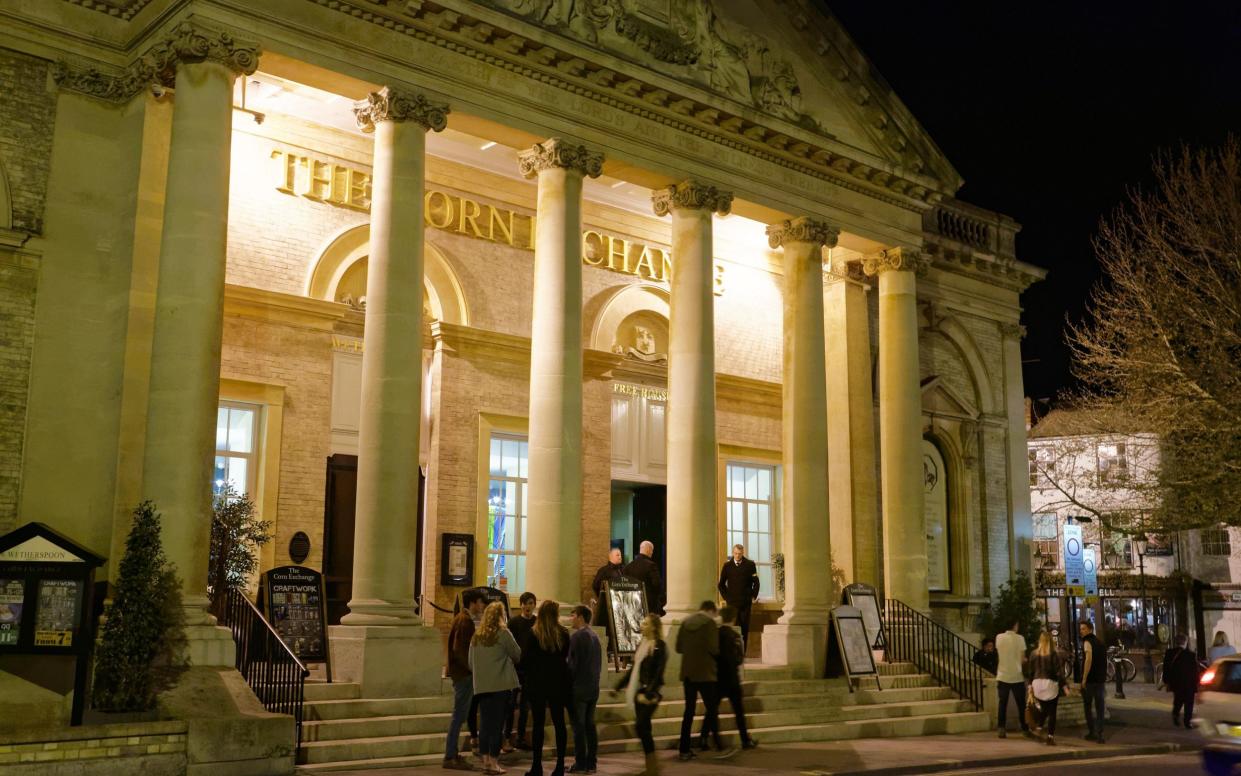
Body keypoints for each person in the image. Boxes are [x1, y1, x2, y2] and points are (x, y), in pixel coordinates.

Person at [469, 601, 522, 776]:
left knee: (484, 724)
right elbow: (517, 654)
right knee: (497, 725)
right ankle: (493, 762)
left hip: (483, 686)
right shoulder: (503, 633)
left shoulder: (477, 635)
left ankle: (484, 761)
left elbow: (471, 663)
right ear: (501, 615)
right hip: (500, 685)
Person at [522, 600, 571, 776]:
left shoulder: (534, 634)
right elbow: (565, 656)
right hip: (558, 683)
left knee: (538, 725)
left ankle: (537, 766)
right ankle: (559, 766)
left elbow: (526, 660)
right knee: (559, 723)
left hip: (538, 684)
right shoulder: (564, 633)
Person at [675, 600, 724, 761]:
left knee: (688, 712)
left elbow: (678, 648)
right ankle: (718, 745)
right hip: (705, 673)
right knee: (712, 708)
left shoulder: (686, 622)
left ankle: (684, 749)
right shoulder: (709, 624)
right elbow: (714, 648)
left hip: (688, 673)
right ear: (710, 610)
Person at [619, 614, 667, 776]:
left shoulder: (660, 646)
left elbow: (658, 672)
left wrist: (648, 693)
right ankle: (651, 767)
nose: (642, 625)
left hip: (651, 693)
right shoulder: (642, 644)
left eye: (645, 623)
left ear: (653, 627)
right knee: (644, 727)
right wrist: (618, 686)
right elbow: (635, 669)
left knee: (641, 726)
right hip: (639, 691)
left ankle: (653, 767)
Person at [444, 589, 486, 771]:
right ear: (474, 603)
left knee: (460, 715)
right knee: (458, 715)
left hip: (462, 673)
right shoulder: (465, 621)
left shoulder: (463, 619)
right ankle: (450, 756)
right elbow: (459, 649)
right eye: (481, 602)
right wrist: (471, 668)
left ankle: (453, 754)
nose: (483, 606)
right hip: (463, 675)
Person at [710, 605, 756, 750]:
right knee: (739, 712)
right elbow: (738, 658)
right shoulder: (734, 636)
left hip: (717, 678)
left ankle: (715, 740)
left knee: (712, 711)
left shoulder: (715, 634)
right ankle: (745, 740)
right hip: (732, 679)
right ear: (733, 618)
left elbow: (712, 654)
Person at [568, 605, 602, 774]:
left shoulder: (577, 637)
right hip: (593, 687)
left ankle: (580, 763)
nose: (570, 618)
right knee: (590, 725)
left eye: (573, 615)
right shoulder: (595, 636)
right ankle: (591, 763)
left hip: (579, 688)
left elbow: (573, 665)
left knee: (579, 727)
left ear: (580, 617)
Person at [508, 592, 538, 750]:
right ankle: (506, 737)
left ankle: (520, 737)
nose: (528, 606)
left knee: (525, 705)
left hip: (530, 670)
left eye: (531, 603)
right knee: (511, 703)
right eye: (525, 603)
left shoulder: (537, 622)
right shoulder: (514, 623)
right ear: (521, 605)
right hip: (515, 669)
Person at [716, 544, 760, 650]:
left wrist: (753, 596)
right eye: (735, 553)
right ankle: (731, 651)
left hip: (745, 602)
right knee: (732, 627)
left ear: (743, 553)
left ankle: (742, 652)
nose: (737, 556)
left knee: (744, 628)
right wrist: (727, 597)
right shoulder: (727, 566)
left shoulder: (750, 564)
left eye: (740, 554)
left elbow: (756, 583)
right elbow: (720, 584)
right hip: (732, 603)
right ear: (733, 553)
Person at [995, 618, 1030, 739]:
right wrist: (1026, 661)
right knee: (1021, 704)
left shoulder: (999, 637)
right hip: (1017, 676)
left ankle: (1001, 728)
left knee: (1002, 703)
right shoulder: (1020, 639)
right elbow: (1022, 658)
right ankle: (1025, 728)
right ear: (1015, 625)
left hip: (1002, 674)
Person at [1029, 631, 1066, 745]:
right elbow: (1058, 671)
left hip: (1037, 683)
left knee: (1043, 708)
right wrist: (1064, 685)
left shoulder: (1034, 653)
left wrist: (1030, 685)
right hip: (1050, 683)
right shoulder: (1054, 654)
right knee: (1052, 712)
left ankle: (1039, 728)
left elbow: (1030, 671)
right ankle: (1050, 737)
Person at [1162, 633, 1202, 729]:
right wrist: (1197, 682)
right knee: (1189, 702)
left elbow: (1166, 668)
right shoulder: (1191, 655)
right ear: (1185, 642)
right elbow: (1194, 670)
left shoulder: (1169, 653)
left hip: (1176, 682)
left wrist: (1166, 680)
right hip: (1188, 683)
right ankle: (1187, 721)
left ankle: (1175, 714)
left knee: (1178, 699)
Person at [1079, 620, 1108, 743]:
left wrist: (1084, 678)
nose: (1082, 631)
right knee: (1100, 707)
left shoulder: (1087, 642)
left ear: (1090, 629)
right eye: (1081, 629)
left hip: (1091, 680)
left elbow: (1088, 659)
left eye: (1084, 629)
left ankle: (1092, 732)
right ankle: (1100, 733)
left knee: (1087, 705)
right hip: (1100, 680)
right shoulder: (1100, 642)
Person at [592, 547, 626, 649]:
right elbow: (596, 585)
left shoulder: (623, 570)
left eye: (620, 555)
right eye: (617, 555)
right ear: (610, 556)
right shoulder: (604, 571)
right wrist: (603, 597)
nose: (620, 557)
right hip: (607, 606)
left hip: (620, 606)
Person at [624, 541, 665, 616]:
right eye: (652, 550)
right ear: (648, 550)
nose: (652, 553)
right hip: (649, 606)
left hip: (633, 605)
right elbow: (657, 585)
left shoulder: (628, 567)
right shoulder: (651, 565)